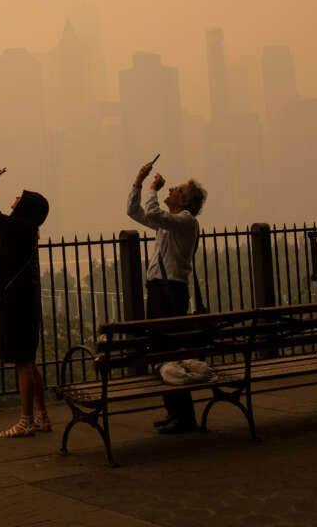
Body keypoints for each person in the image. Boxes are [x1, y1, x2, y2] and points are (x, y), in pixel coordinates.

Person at [128, 161, 207, 435]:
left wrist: (152, 187)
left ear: (184, 201)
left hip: (170, 291)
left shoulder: (185, 222)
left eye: (177, 189)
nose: (171, 188)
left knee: (168, 352)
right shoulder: (169, 224)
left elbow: (151, 210)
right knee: (162, 352)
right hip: (160, 289)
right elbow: (134, 211)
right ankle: (175, 412)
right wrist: (138, 181)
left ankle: (184, 416)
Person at [0, 168, 51, 437]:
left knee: (22, 361)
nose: (15, 200)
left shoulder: (19, 228)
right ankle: (42, 416)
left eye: (19, 198)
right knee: (29, 361)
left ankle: (26, 421)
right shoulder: (27, 230)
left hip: (17, 304)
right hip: (27, 302)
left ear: (27, 207)